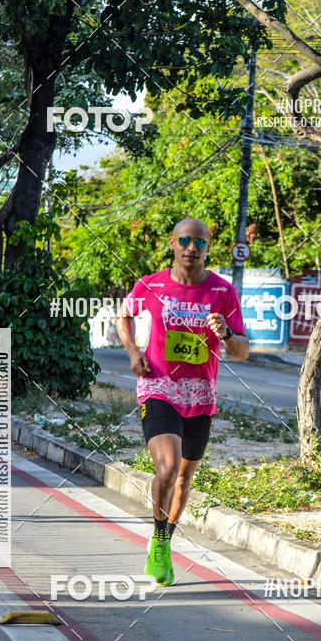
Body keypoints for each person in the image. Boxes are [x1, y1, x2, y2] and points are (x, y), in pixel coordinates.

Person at [117, 217, 249, 586]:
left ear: (208, 247)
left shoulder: (222, 292)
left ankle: (165, 537)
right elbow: (123, 315)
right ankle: (159, 542)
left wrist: (225, 334)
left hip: (201, 396)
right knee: (168, 467)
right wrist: (133, 350)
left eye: (200, 242)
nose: (192, 248)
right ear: (172, 244)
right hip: (159, 388)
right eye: (185, 240)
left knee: (184, 480)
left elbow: (242, 351)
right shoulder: (151, 285)